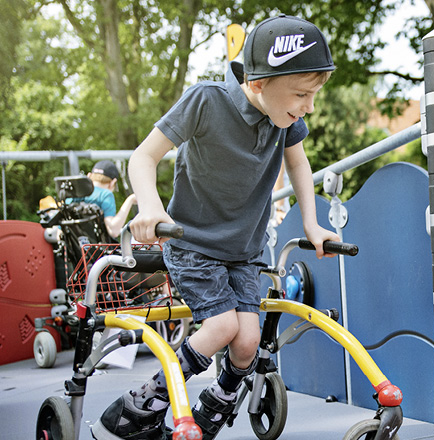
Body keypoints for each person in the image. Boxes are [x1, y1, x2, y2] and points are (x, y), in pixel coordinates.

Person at [91, 15, 339, 440]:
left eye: (313, 95)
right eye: (301, 94)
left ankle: (208, 416)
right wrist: (151, 207)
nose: (309, 107)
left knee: (246, 343)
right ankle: (134, 409)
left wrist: (313, 224)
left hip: (244, 252)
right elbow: (143, 157)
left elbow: (299, 163)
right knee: (222, 327)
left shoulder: (285, 121)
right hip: (193, 245)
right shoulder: (206, 100)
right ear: (259, 83)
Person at [72, 160, 137, 238]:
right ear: (113, 182)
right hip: (94, 248)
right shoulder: (105, 195)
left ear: (89, 176)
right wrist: (130, 200)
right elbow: (113, 230)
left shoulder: (74, 193)